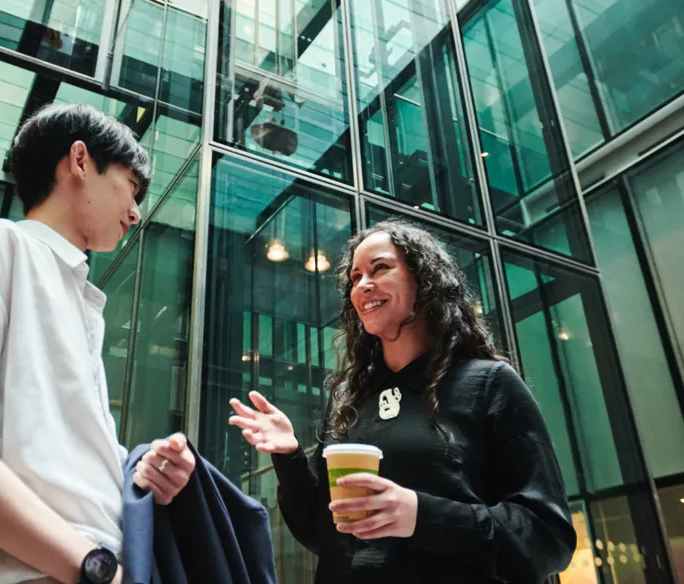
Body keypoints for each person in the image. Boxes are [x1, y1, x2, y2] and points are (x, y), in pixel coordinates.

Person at [0, 103, 195, 584]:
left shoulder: (77, 299)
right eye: (131, 186)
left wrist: (141, 472)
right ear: (79, 161)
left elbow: (58, 462)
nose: (136, 212)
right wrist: (92, 567)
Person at [229, 219, 577, 583]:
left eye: (380, 268)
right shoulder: (350, 394)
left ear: (424, 282)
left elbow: (547, 538)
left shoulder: (489, 382)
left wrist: (419, 515)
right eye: (355, 277)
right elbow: (323, 535)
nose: (363, 285)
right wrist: (289, 458)